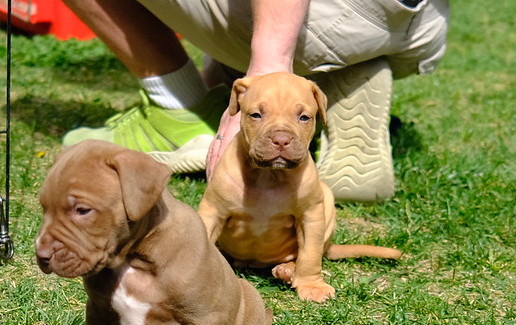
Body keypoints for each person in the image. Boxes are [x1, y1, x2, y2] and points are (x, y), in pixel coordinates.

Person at [60, 0, 450, 202]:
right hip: (417, 24)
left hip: (334, 21)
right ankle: (312, 88)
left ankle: (179, 107)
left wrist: (267, 65)